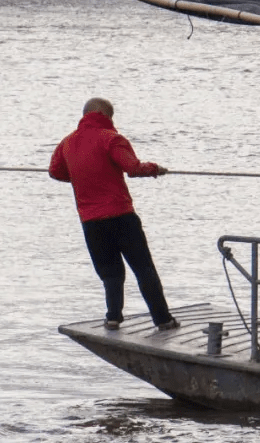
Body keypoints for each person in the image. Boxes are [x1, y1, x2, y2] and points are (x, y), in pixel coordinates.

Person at [49, 97, 180, 332]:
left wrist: (83, 177)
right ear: (107, 116)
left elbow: (55, 172)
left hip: (90, 221)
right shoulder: (111, 139)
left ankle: (113, 317)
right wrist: (155, 169)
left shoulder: (67, 143)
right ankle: (163, 320)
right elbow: (133, 168)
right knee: (143, 269)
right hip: (121, 216)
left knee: (110, 273)